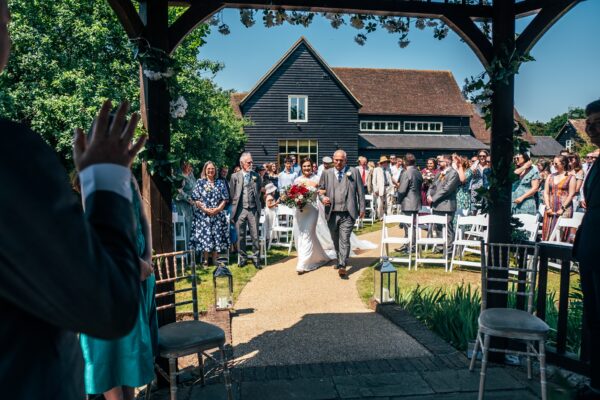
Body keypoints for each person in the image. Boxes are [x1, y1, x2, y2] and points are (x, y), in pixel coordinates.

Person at [1, 2, 145, 392]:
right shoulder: (11, 156)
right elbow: (109, 304)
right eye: (6, 22)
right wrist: (107, 174)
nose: (10, 37)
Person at [80, 174, 157, 400]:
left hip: (135, 282)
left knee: (129, 355)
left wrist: (148, 258)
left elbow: (143, 221)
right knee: (109, 355)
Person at [573, 99, 600, 400]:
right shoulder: (596, 162)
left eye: (596, 122)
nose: (589, 128)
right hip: (591, 247)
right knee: (594, 319)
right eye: (587, 122)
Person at [319, 150, 365, 278]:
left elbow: (360, 191)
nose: (338, 163)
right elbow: (320, 191)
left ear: (346, 160)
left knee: (344, 238)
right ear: (333, 160)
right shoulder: (326, 173)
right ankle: (340, 260)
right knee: (335, 239)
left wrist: (362, 208)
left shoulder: (354, 172)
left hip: (348, 213)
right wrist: (323, 199)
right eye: (336, 160)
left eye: (341, 160)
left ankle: (343, 265)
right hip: (331, 213)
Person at [293, 158, 331, 274]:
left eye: (308, 166)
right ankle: (320, 256)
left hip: (312, 210)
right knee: (302, 235)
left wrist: (323, 198)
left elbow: (320, 194)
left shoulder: (317, 179)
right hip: (300, 211)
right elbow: (293, 195)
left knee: (308, 234)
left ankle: (302, 263)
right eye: (304, 166)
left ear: (312, 166)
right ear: (301, 167)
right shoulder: (297, 180)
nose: (306, 168)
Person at [189, 161, 230, 266]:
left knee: (216, 236)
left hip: (217, 214)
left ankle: (215, 259)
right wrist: (205, 210)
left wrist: (217, 209)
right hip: (203, 215)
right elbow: (195, 199)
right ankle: (206, 260)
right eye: (208, 169)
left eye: (212, 169)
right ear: (205, 170)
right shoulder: (200, 182)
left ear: (215, 170)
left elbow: (225, 199)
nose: (211, 171)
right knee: (205, 236)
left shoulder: (220, 183)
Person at [230, 152, 263, 269]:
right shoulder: (235, 177)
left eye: (251, 162)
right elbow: (233, 194)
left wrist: (254, 203)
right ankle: (243, 258)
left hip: (253, 209)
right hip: (240, 209)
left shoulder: (256, 176)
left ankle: (256, 258)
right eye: (249, 162)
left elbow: (259, 190)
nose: (251, 164)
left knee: (255, 235)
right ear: (242, 163)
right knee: (241, 236)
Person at [427, 154, 460, 253]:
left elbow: (447, 189)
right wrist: (429, 195)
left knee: (448, 228)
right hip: (437, 205)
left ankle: (449, 249)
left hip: (447, 205)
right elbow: (432, 186)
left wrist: (433, 198)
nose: (439, 163)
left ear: (447, 162)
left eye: (441, 161)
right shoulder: (439, 173)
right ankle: (440, 247)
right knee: (438, 227)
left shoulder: (453, 174)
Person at [541, 155, 576, 241]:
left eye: (556, 163)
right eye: (553, 163)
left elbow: (571, 194)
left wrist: (562, 208)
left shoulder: (571, 177)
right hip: (550, 207)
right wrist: (548, 207)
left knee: (561, 232)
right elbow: (546, 192)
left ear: (563, 164)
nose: (554, 165)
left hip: (565, 208)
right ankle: (546, 252)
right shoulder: (550, 176)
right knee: (548, 231)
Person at [395, 153, 422, 248]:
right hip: (416, 201)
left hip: (408, 202)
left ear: (405, 162)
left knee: (408, 225)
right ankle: (410, 244)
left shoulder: (406, 173)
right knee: (412, 225)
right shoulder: (418, 172)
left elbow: (402, 190)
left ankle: (410, 245)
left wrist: (398, 200)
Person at [174, 161, 196, 247]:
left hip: (191, 206)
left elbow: (195, 187)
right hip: (182, 206)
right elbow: (179, 191)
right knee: (185, 227)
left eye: (190, 165)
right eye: (188, 165)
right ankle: (184, 250)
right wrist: (188, 198)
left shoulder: (191, 175)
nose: (190, 167)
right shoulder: (179, 176)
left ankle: (192, 251)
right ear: (183, 166)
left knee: (191, 227)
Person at [454, 155, 473, 221]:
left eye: (458, 162)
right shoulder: (456, 171)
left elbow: (462, 180)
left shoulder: (469, 171)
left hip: (463, 196)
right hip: (455, 195)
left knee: (462, 217)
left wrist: (459, 167)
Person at [263, 183, 279, 247]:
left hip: (271, 211)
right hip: (270, 212)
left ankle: (271, 238)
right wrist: (276, 203)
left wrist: (275, 204)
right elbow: (269, 205)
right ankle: (269, 238)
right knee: (270, 224)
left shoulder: (269, 196)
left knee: (271, 224)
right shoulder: (269, 197)